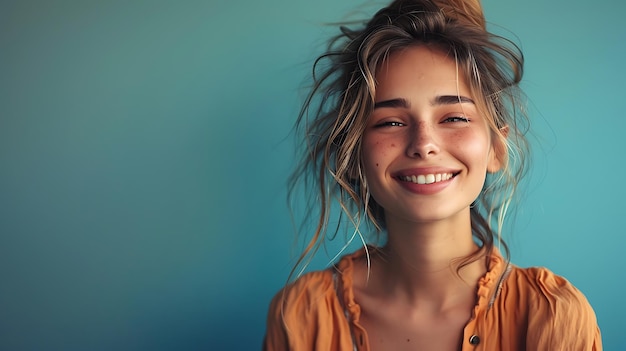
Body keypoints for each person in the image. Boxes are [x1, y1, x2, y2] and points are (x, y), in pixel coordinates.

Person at [264, 0, 602, 350]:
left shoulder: (552, 316)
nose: (423, 144)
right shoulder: (301, 316)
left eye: (454, 117)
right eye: (391, 122)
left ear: (496, 149)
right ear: (354, 154)